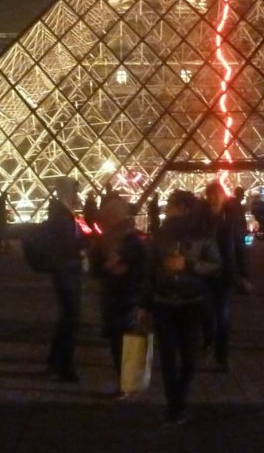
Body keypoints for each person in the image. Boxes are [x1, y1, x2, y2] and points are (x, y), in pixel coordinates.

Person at [138, 189, 222, 425]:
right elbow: (149, 271)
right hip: (164, 302)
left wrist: (188, 264)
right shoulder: (161, 234)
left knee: (188, 357)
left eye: (171, 204)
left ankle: (178, 399)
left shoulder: (202, 234)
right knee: (167, 357)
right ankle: (175, 405)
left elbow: (216, 266)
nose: (167, 208)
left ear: (184, 208)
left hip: (191, 302)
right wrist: (144, 303)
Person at [91, 194, 147, 396]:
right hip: (117, 297)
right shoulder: (106, 241)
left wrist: (120, 267)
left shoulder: (130, 241)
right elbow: (96, 269)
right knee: (121, 341)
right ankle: (128, 382)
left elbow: (140, 268)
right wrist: (107, 267)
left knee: (124, 341)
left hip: (125, 297)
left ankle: (127, 383)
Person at [201, 181, 249, 372]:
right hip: (204, 273)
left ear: (222, 195)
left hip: (224, 274)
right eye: (209, 195)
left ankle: (222, 356)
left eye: (215, 195)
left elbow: (239, 245)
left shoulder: (230, 217)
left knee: (222, 317)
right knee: (207, 315)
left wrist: (244, 273)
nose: (213, 199)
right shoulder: (201, 219)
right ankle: (208, 343)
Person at [43, 177, 86, 383]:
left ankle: (54, 362)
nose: (76, 196)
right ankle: (65, 367)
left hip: (65, 270)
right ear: (67, 192)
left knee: (67, 318)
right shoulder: (61, 216)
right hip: (67, 270)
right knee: (71, 319)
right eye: (74, 192)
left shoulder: (60, 213)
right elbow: (65, 245)